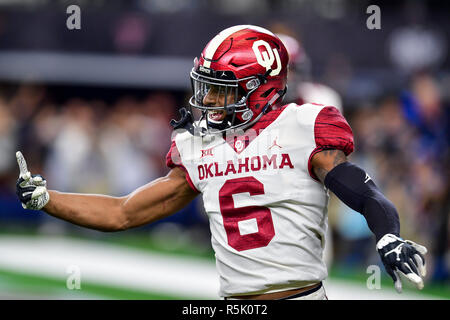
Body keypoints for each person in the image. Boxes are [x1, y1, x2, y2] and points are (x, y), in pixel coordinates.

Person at [16, 25, 427, 300]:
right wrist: (47, 198)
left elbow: (362, 188)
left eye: (221, 90)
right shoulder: (198, 147)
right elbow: (124, 212)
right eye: (207, 88)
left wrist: (387, 234)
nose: (208, 101)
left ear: (258, 88)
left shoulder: (303, 125)